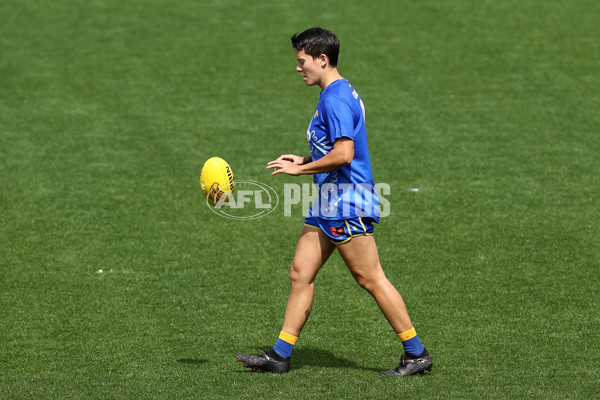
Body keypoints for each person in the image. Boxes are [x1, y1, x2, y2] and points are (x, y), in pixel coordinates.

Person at [234, 27, 433, 376]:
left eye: (302, 61)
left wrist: (302, 171)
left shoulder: (335, 99)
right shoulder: (338, 92)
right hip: (328, 200)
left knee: (370, 278)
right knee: (301, 271)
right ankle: (280, 356)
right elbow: (334, 148)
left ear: (322, 59)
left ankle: (416, 353)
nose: (298, 68)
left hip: (347, 202)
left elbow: (345, 153)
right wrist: (303, 160)